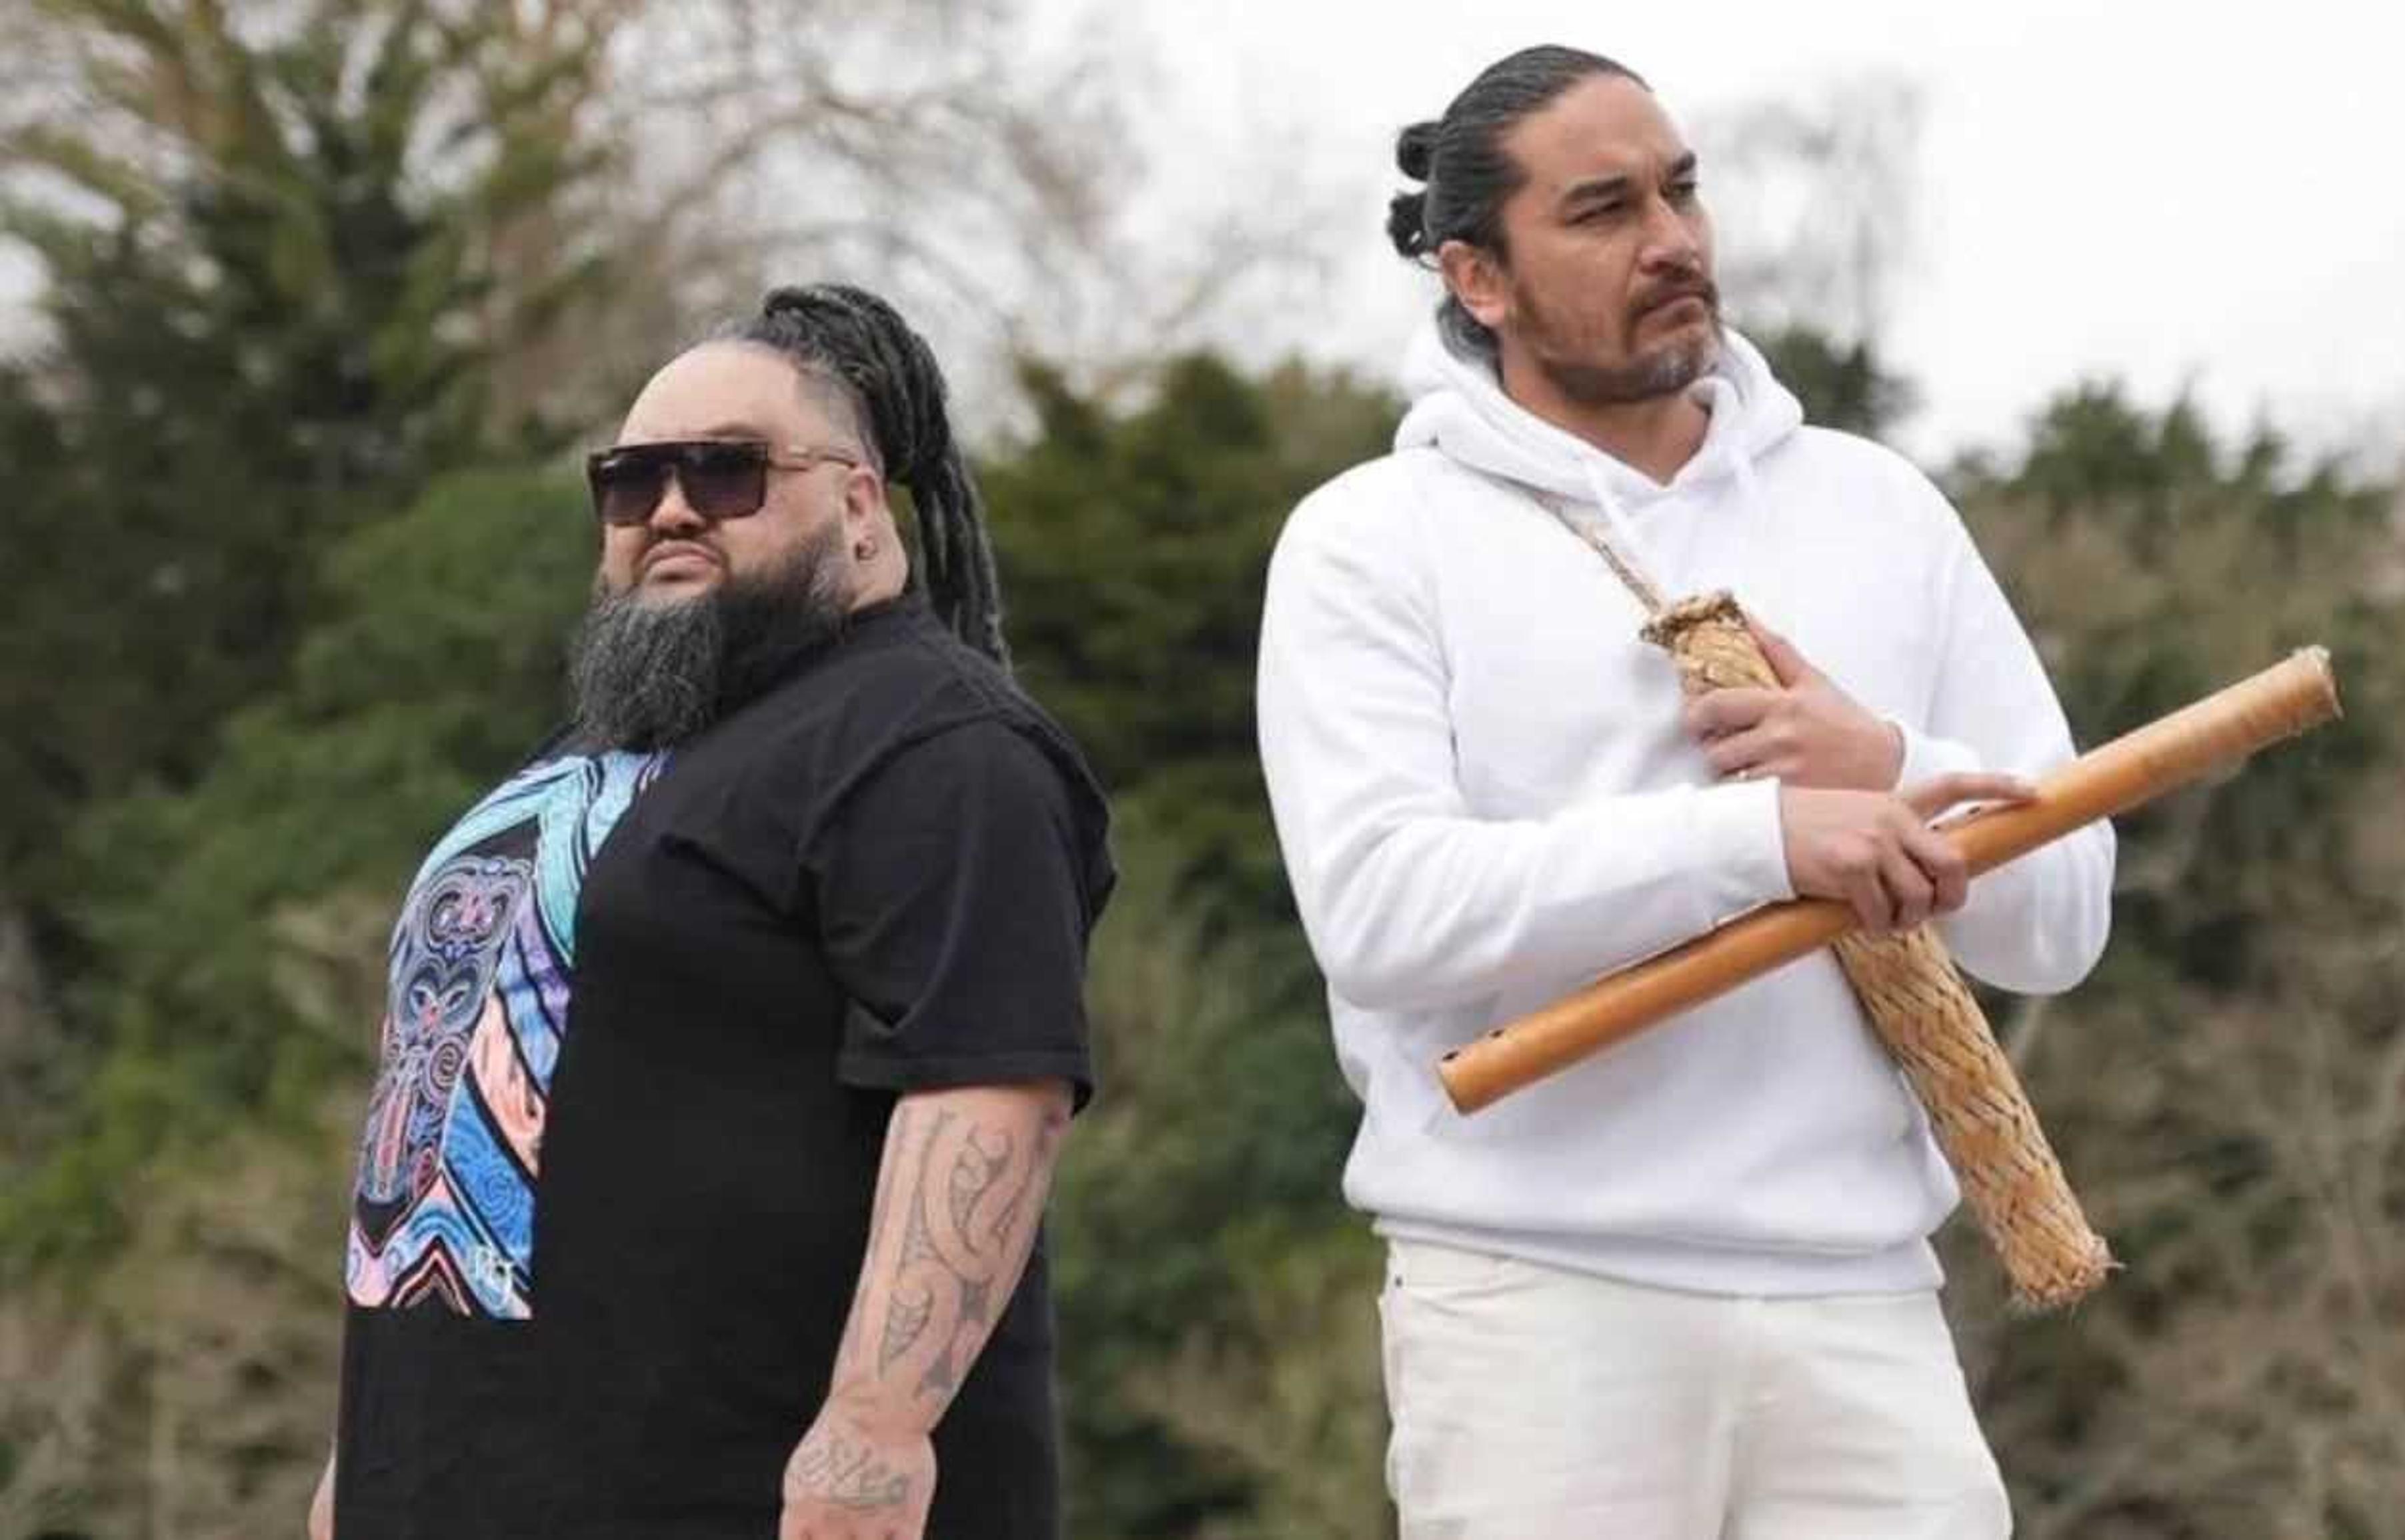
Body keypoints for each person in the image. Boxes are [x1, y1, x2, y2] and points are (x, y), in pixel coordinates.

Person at [1255, 45, 2115, 1540]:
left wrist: (1888, 766)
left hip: (1865, 1306)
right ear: (1477, 277)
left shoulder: (1881, 507)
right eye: (1602, 210)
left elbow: (2063, 925)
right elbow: (1384, 916)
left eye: (1682, 191)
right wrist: (1761, 839)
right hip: (1535, 1313)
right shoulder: (1369, 540)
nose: (1671, 240)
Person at [309, 283, 1113, 1540]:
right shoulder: (588, 758)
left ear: (861, 505)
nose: (672, 506)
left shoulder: (934, 742)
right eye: (631, 481)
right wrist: (360, 1461)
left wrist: (876, 1431)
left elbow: (989, 1087)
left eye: (729, 470)